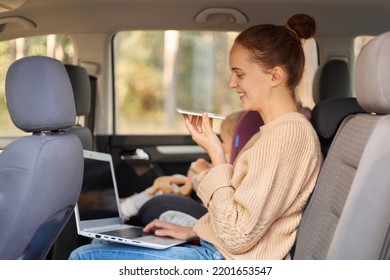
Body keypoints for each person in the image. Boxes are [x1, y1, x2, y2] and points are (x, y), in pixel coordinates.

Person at [69, 13, 323, 260]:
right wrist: (194, 231)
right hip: (224, 252)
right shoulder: (273, 132)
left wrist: (216, 154)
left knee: (84, 257)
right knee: (101, 241)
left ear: (275, 76)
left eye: (240, 74)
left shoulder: (289, 136)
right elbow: (241, 215)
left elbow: (237, 234)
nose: (231, 83)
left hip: (230, 262)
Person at [119, 110, 245, 221]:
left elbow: (217, 187)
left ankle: (125, 209)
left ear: (239, 142)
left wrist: (200, 171)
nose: (220, 144)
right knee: (174, 181)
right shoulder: (228, 158)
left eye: (224, 141)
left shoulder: (234, 161)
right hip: (205, 201)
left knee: (168, 189)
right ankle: (127, 206)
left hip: (212, 210)